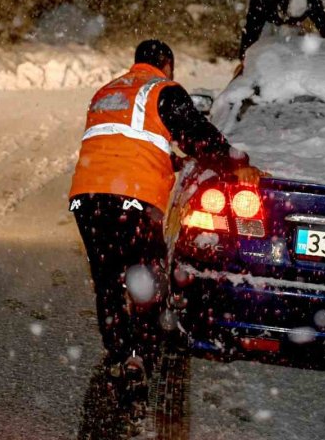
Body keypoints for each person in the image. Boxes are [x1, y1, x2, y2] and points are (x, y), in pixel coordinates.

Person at [69, 39, 259, 382]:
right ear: (167, 66)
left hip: (87, 196)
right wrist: (235, 162)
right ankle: (140, 354)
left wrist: (172, 162)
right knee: (147, 274)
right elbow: (196, 135)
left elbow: (123, 143)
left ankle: (120, 349)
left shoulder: (108, 91)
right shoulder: (163, 89)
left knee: (107, 276)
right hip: (132, 196)